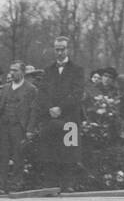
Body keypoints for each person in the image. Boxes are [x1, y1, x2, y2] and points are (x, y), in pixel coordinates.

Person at [36, 35, 86, 188]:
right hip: (50, 118)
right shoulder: (48, 70)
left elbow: (77, 93)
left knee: (69, 153)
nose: (59, 53)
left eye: (62, 49)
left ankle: (67, 185)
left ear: (68, 49)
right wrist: (50, 108)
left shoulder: (77, 70)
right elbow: (42, 93)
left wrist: (61, 108)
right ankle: (50, 185)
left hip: (69, 118)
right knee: (50, 152)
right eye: (57, 49)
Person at [0, 60, 38, 186]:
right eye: (11, 70)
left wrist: (30, 130)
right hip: (4, 126)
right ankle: (0, 185)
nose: (12, 73)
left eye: (15, 70)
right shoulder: (5, 88)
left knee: (18, 156)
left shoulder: (31, 89)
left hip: (19, 127)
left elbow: (34, 111)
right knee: (2, 156)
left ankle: (16, 183)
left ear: (23, 72)